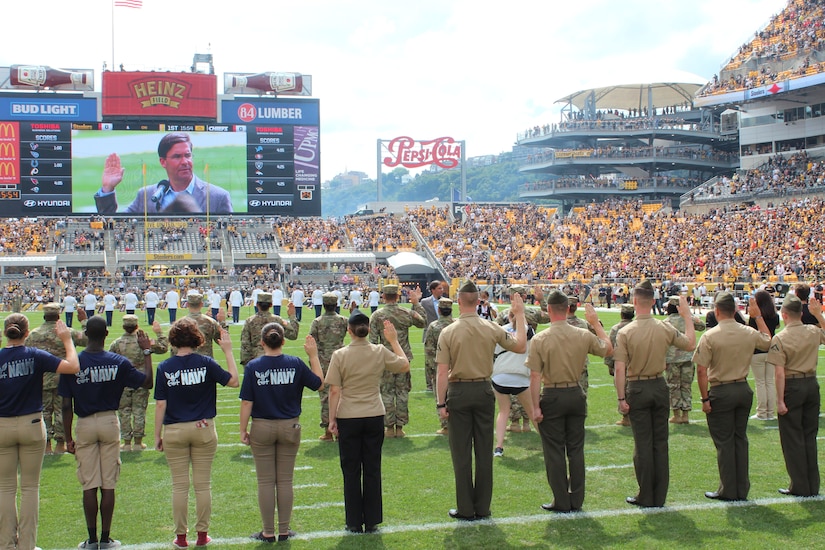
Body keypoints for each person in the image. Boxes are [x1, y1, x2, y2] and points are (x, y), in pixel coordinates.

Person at [59, 316, 153, 549]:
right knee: (108, 484)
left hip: (85, 423)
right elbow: (148, 382)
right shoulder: (118, 362)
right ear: (106, 333)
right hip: (110, 421)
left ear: (85, 335)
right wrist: (147, 352)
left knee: (89, 484)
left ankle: (91, 540)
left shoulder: (74, 362)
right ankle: (105, 538)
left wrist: (68, 438)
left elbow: (65, 405)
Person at [436, 281, 526, 521]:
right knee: (484, 451)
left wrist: (440, 404)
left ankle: (466, 508)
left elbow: (442, 373)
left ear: (458, 302)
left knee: (461, 453)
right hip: (484, 390)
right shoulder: (490, 327)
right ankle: (483, 507)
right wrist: (520, 316)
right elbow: (520, 345)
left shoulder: (449, 331)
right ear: (478, 302)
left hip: (458, 391)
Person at [154, 318, 238, 549]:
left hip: (174, 429)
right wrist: (228, 352)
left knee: (179, 486)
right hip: (203, 428)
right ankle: (202, 535)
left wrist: (156, 435)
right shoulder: (206, 362)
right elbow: (233, 382)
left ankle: (181, 537)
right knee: (202, 485)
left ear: (173, 339)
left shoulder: (164, 367)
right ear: (197, 338)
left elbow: (160, 404)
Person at [613, 280, 695, 508]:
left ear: (635, 301)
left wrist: (621, 398)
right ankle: (659, 495)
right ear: (652, 302)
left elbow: (620, 368)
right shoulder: (664, 327)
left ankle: (645, 494)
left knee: (643, 444)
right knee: (660, 442)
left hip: (638, 387)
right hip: (659, 385)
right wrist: (687, 316)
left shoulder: (626, 331)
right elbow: (689, 344)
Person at [0, 314, 79, 550]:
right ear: (26, 334)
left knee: (5, 487)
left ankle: (5, 544)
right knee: (30, 487)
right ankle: (27, 544)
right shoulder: (34, 355)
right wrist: (67, 340)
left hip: (3, 425)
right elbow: (73, 366)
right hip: (32, 424)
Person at [527, 291, 611, 512]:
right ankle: (576, 499)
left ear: (548, 310)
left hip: (553, 395)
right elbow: (607, 349)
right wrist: (595, 323)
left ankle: (561, 500)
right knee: (575, 450)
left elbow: (534, 376)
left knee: (554, 451)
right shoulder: (582, 334)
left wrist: (534, 407)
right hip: (575, 392)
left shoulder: (540, 338)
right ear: (566, 309)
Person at [326, 313, 410, 533]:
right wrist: (393, 341)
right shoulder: (379, 351)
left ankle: (354, 522)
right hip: (373, 415)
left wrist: (332, 418)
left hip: (348, 416)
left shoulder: (340, 354)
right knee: (372, 468)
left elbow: (334, 389)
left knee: (351, 470)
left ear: (349, 331)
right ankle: (372, 520)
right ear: (369, 330)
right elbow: (404, 365)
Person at [240, 327, 322, 544]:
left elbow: (247, 401)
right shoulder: (295, 363)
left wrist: (242, 429)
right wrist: (313, 356)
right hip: (290, 426)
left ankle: (268, 531)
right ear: (283, 341)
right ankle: (284, 530)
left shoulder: (253, 366)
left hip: (262, 426)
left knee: (266, 482)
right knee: (285, 480)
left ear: (261, 342)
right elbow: (319, 383)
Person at [694, 292, 771, 501]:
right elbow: (768, 341)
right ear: (735, 310)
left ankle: (728, 489)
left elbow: (701, 371)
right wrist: (757, 317)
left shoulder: (710, 336)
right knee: (740, 440)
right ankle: (741, 488)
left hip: (721, 390)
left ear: (717, 311)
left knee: (724, 442)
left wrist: (704, 399)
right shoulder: (747, 331)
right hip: (742, 388)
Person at [768, 293, 824, 497]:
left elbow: (779, 372)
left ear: (784, 315)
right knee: (809, 436)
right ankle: (812, 484)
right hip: (811, 383)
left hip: (792, 386)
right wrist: (819, 316)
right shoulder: (812, 330)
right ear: (801, 313)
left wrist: (780, 400)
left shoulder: (780, 338)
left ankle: (799, 485)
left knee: (792, 438)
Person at [94, 132, 233, 215]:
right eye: (177, 157)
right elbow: (115, 229)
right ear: (163, 162)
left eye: (188, 155)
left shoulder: (218, 197)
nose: (185, 161)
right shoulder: (146, 195)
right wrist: (108, 189)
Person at [26, 303, 88, 455]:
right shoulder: (67, 332)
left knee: (45, 412)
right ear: (59, 315)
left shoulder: (34, 334)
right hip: (64, 377)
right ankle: (61, 443)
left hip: (41, 379)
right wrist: (84, 322)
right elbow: (86, 340)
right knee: (62, 410)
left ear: (44, 316)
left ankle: (46, 444)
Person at [369, 284, 426, 438]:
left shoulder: (377, 315)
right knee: (402, 392)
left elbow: (373, 341)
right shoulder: (406, 312)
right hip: (403, 358)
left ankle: (388, 427)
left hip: (384, 359)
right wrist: (416, 303)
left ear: (384, 297)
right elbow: (422, 322)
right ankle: (400, 427)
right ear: (397, 296)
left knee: (386, 392)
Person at [111, 315, 168, 451]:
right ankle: (138, 442)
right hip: (142, 379)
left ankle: (126, 442)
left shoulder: (116, 343)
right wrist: (159, 333)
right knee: (139, 410)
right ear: (137, 326)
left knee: (124, 411)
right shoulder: (145, 342)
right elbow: (164, 348)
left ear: (124, 327)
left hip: (123, 382)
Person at [493, 308, 538, 458]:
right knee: (532, 412)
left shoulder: (500, 330)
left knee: (503, 411)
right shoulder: (528, 331)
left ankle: (498, 447)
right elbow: (533, 353)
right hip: (519, 377)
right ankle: (547, 440)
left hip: (499, 376)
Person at [309, 293, 348, 441]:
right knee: (341, 394)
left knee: (326, 396)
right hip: (341, 360)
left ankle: (328, 430)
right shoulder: (343, 321)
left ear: (324, 305)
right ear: (336, 305)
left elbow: (311, 342)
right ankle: (341, 429)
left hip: (323, 361)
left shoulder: (317, 322)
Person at [663, 295, 706, 424]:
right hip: (688, 357)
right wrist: (689, 314)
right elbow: (702, 326)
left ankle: (676, 414)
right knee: (686, 386)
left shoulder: (666, 322)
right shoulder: (689, 319)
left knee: (673, 386)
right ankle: (686, 414)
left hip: (671, 359)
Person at [241, 293, 299, 367]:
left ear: (257, 305)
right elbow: (293, 335)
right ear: (271, 305)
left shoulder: (250, 321)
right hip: (275, 359)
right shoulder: (277, 320)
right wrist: (292, 316)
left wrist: (247, 364)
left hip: (256, 360)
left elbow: (245, 344)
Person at [748, 289, 780, 421]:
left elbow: (751, 330)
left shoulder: (755, 316)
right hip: (771, 349)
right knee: (769, 382)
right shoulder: (774, 315)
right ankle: (770, 412)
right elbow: (776, 327)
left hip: (757, 350)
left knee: (760, 382)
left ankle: (762, 412)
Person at [424, 297, 454, 434]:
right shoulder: (457, 324)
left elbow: (429, 349)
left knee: (441, 394)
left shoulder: (434, 326)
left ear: (439, 310)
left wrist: (430, 369)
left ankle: (446, 425)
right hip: (457, 365)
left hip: (440, 365)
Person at [606, 304, 634, 426]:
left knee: (622, 390)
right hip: (636, 364)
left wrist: (609, 365)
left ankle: (626, 417)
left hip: (620, 364)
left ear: (622, 314)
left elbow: (609, 348)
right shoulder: (637, 327)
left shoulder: (615, 329)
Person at [177, 292, 227, 359]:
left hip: (186, 363)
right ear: (201, 304)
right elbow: (223, 340)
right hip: (206, 362)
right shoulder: (210, 322)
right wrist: (222, 322)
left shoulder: (180, 323)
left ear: (188, 304)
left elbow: (175, 347)